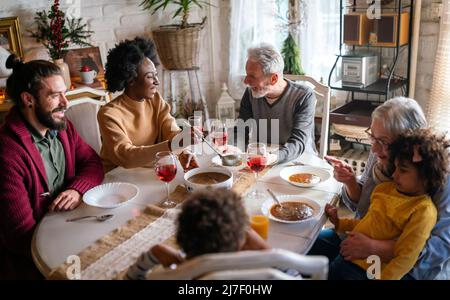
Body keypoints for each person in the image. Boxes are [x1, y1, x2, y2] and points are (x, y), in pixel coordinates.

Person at [309, 97, 450, 280]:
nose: (374, 148)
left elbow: (441, 248)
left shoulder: (436, 174)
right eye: (372, 137)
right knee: (306, 245)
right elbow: (363, 209)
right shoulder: (380, 155)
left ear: (408, 141)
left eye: (383, 141)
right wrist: (351, 182)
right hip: (362, 233)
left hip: (403, 266)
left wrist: (374, 247)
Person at [0, 55, 104, 279]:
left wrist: (77, 189)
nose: (66, 103)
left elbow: (93, 163)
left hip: (74, 230)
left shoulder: (63, 129)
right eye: (55, 96)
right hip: (35, 262)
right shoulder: (7, 154)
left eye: (64, 93)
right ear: (29, 99)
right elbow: (20, 236)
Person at [98, 37, 198, 173]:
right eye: (150, 76)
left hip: (148, 170)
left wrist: (183, 151)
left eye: (156, 75)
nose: (157, 81)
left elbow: (170, 130)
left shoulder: (155, 99)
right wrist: (173, 144)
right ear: (131, 79)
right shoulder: (108, 114)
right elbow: (126, 156)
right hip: (118, 177)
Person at [125, 189, 271, 279]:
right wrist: (268, 252)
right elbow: (291, 271)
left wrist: (153, 255)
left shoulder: (164, 277)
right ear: (241, 242)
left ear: (179, 237)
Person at [236, 43, 316, 163]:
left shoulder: (304, 96)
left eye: (252, 76)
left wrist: (273, 157)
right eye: (247, 74)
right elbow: (241, 130)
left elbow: (298, 143)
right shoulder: (250, 93)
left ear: (273, 79)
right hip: (261, 160)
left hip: (299, 162)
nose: (246, 81)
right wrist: (235, 148)